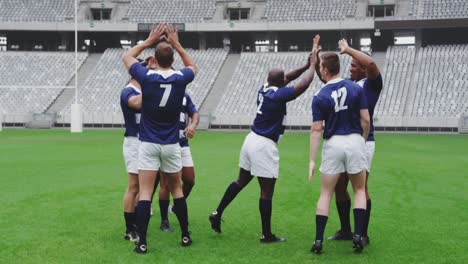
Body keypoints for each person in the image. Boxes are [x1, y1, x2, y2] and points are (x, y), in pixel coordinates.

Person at [208, 35, 320, 243]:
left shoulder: (265, 88)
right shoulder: (278, 95)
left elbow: (287, 77)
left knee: (241, 180)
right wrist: (313, 66)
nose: (286, 79)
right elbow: (303, 85)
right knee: (266, 191)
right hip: (264, 144)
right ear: (279, 83)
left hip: (250, 140)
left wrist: (305, 65)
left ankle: (217, 213)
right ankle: (266, 234)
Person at [122, 23, 198, 254]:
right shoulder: (180, 78)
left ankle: (142, 242)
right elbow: (193, 66)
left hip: (148, 143)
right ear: (172, 58)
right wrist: (176, 43)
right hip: (171, 143)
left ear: (153, 58)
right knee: (177, 189)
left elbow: (127, 56)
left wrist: (148, 40)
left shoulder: (146, 77)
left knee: (145, 192)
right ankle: (185, 236)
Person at [319, 39, 383, 245]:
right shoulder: (351, 85)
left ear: (364, 70)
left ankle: (362, 233)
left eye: (355, 66)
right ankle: (346, 230)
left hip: (364, 140)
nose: (351, 69)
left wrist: (348, 50)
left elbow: (372, 65)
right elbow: (330, 83)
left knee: (361, 187)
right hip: (345, 140)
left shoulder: (372, 85)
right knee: (339, 187)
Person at [309, 50, 370, 254]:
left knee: (326, 193)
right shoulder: (355, 88)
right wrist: (361, 140)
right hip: (354, 140)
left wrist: (311, 160)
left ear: (325, 70)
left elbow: (317, 129)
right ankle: (358, 236)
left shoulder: (319, 96)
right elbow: (366, 121)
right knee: (359, 190)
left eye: (320, 68)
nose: (320, 70)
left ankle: (318, 241)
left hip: (333, 143)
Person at [157, 92, 200, 232]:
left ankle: (176, 207)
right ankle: (164, 220)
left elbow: (194, 113)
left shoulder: (184, 95)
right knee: (165, 184)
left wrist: (193, 125)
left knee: (190, 180)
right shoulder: (160, 94)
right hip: (166, 143)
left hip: (182, 143)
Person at [120, 60, 145, 243]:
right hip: (133, 142)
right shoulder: (128, 90)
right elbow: (135, 104)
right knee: (133, 186)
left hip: (144, 142)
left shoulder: (141, 91)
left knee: (142, 188)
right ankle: (129, 229)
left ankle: (137, 224)